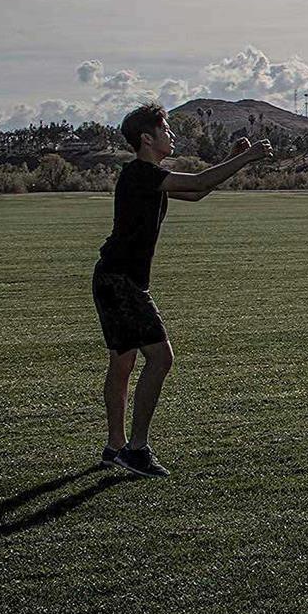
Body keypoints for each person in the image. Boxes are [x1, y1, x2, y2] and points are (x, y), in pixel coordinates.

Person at [92, 104, 273, 476]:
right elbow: (198, 183)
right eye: (166, 129)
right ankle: (136, 450)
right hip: (121, 281)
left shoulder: (149, 175)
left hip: (115, 277)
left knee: (124, 361)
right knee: (160, 358)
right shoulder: (141, 174)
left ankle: (115, 447)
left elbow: (197, 192)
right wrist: (249, 157)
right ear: (147, 138)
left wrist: (231, 159)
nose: (171, 135)